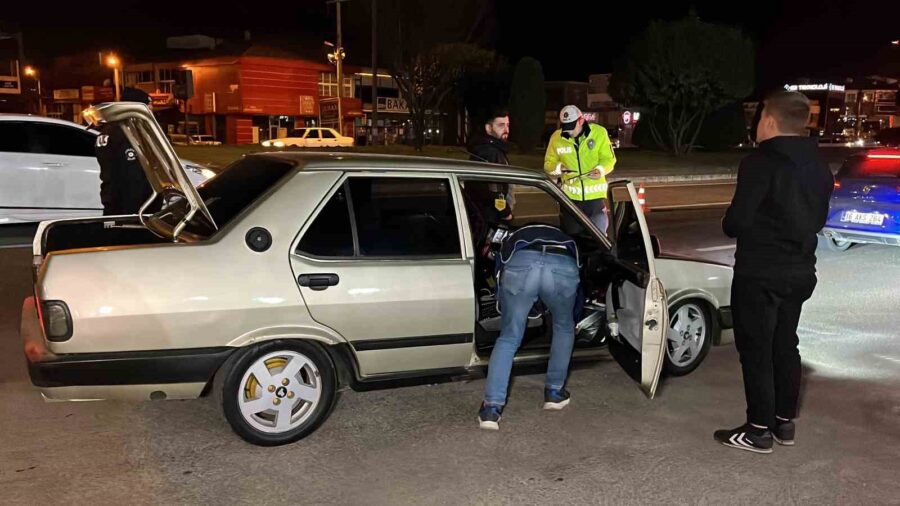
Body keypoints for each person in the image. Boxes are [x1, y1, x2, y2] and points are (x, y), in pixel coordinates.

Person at [714, 91, 834, 454]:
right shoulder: (818, 164)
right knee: (786, 343)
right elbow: (816, 218)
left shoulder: (760, 162)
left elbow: (737, 221)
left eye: (761, 115)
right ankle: (784, 422)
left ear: (769, 120)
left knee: (756, 348)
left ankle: (758, 429)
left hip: (760, 271)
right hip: (800, 270)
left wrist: (732, 222)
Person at [478, 224, 581, 430]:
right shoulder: (565, 238)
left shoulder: (513, 239)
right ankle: (554, 393)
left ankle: (491, 409)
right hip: (563, 265)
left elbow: (500, 273)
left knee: (509, 337)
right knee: (564, 327)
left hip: (521, 262)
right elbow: (579, 297)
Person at [544, 105, 616, 233]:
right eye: (566, 127)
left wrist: (600, 170)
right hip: (570, 200)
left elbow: (609, 159)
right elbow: (548, 165)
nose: (569, 132)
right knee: (574, 240)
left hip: (595, 200)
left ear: (581, 121)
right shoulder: (556, 138)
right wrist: (559, 168)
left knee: (599, 239)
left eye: (572, 126)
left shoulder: (599, 133)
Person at [96, 87, 154, 216]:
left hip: (114, 201)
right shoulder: (125, 132)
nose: (151, 109)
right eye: (148, 105)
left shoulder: (109, 129)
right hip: (129, 207)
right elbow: (132, 175)